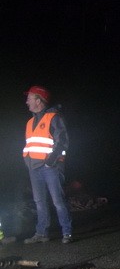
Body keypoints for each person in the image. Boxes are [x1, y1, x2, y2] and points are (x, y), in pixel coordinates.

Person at [22, 85, 73, 244]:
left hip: (50, 168)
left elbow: (63, 141)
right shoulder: (30, 122)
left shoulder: (54, 117)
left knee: (58, 201)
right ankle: (41, 233)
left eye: (29, 98)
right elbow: (30, 144)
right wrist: (27, 161)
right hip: (34, 168)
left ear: (39, 100)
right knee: (39, 202)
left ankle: (67, 233)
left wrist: (50, 161)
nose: (27, 101)